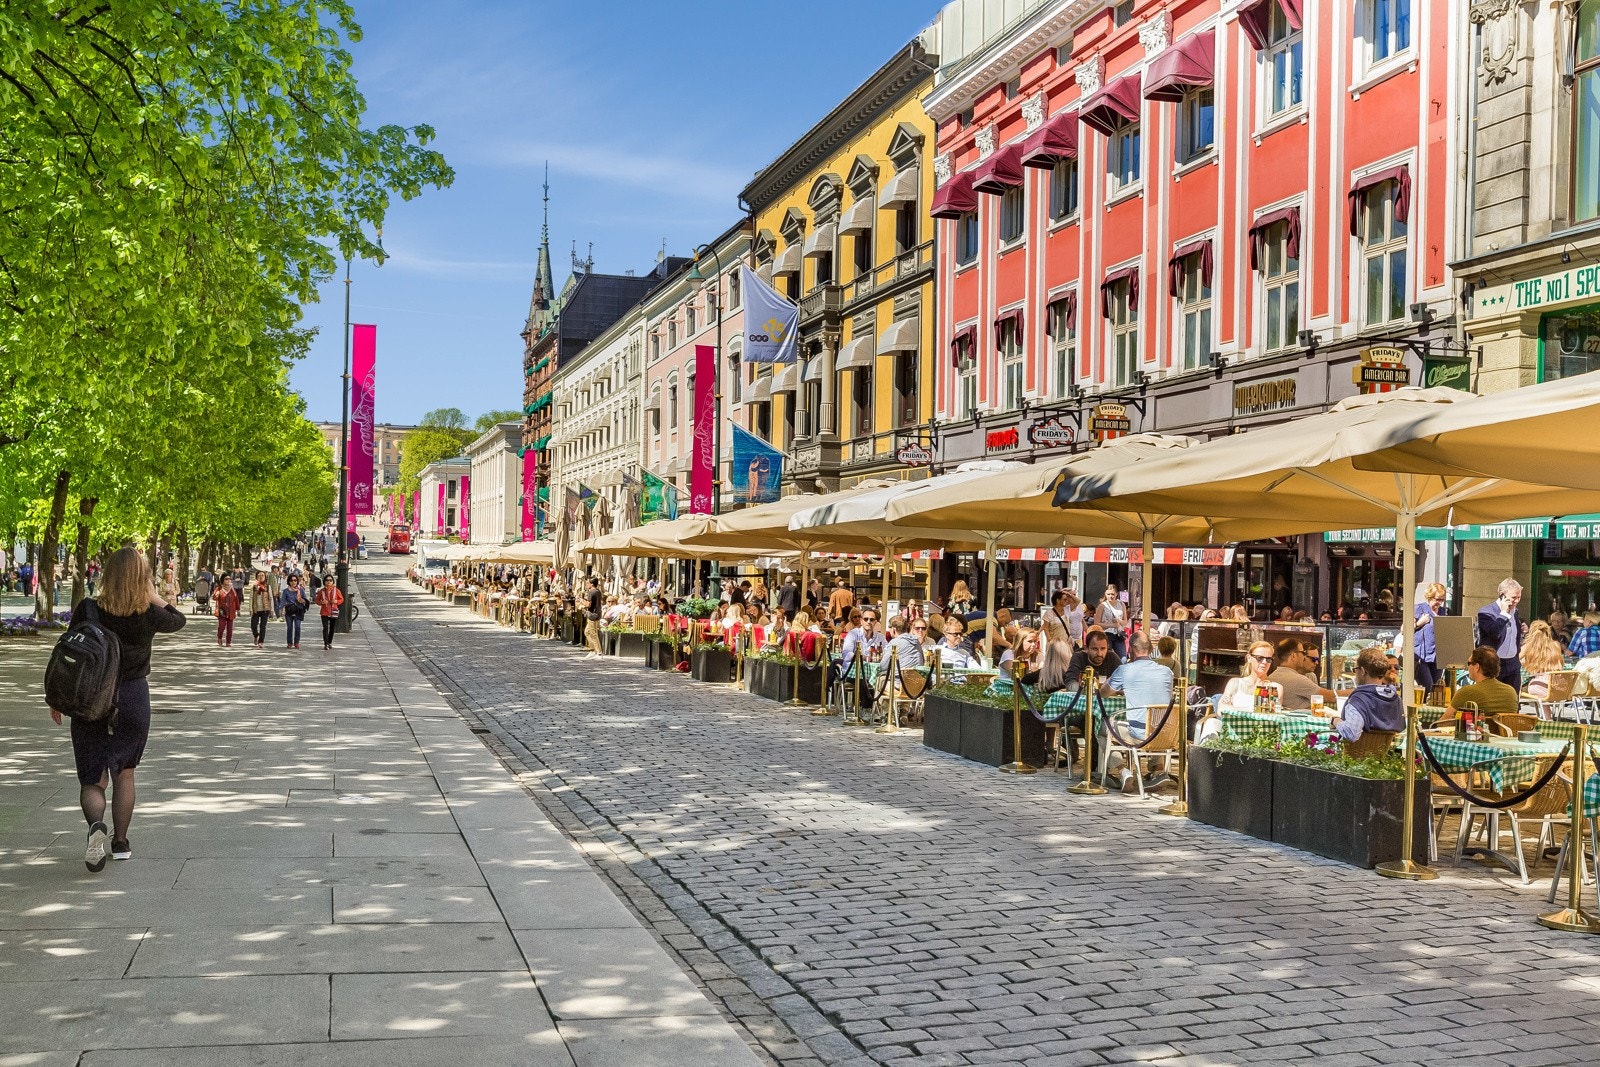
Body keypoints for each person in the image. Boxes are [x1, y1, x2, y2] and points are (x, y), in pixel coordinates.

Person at [52, 546, 185, 870]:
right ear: (143, 578)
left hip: (90, 700)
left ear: (107, 575)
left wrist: (57, 699)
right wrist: (154, 596)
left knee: (92, 780)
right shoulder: (148, 614)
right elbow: (178, 620)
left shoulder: (88, 609)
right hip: (132, 698)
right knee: (125, 773)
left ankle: (96, 826)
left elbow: (70, 651)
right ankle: (121, 842)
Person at [1100, 631, 1176, 792]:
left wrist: (1122, 689)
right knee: (1155, 722)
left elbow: (1103, 693)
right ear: (1151, 649)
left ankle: (1122, 771)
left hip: (1140, 736)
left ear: (1131, 649)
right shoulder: (1167, 672)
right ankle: (1158, 770)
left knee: (1102, 728)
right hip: (1167, 733)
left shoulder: (1125, 670)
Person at [1331, 647, 1405, 742]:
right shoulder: (1395, 699)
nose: (1356, 673)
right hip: (1388, 753)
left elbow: (1351, 734)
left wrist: (1335, 720)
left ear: (1362, 670)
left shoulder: (1359, 699)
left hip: (1357, 754)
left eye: (1356, 669)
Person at [1475, 578, 1526, 688]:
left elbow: (1513, 637)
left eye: (1519, 597)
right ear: (1502, 595)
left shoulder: (1515, 612)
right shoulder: (1486, 612)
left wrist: (1523, 631)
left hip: (1513, 664)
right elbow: (1494, 633)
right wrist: (1503, 614)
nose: (1517, 601)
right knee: (1492, 700)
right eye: (1513, 598)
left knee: (1512, 702)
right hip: (1493, 664)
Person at [1267, 637, 1338, 710]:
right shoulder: (1296, 679)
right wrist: (1350, 693)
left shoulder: (1273, 676)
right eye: (1303, 653)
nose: (1304, 657)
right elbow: (1330, 696)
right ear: (1293, 656)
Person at [1220, 640, 1283, 711]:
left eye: (1269, 659)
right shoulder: (1235, 683)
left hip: (1252, 722)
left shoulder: (1274, 687)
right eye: (1260, 658)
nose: (1264, 662)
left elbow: (1265, 715)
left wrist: (1233, 709)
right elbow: (1221, 709)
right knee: (1211, 721)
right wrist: (1254, 709)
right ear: (1249, 658)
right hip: (1233, 722)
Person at [1413, 582, 1447, 692]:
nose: (1439, 603)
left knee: (1436, 691)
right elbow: (1404, 630)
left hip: (1438, 657)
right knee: (1428, 687)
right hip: (1421, 657)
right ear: (1430, 596)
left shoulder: (1443, 612)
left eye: (1442, 600)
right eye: (1437, 599)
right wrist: (1419, 623)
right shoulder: (1419, 608)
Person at [1520, 620, 1566, 699]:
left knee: (1516, 686)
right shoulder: (1556, 645)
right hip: (1557, 688)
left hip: (1538, 686)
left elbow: (1515, 660)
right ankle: (1546, 712)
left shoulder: (1528, 646)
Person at [1095, 586, 1127, 658]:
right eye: (1108, 594)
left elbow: (1125, 622)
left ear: (1116, 594)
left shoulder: (1121, 604)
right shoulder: (1102, 605)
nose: (1111, 596)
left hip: (1118, 634)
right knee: (1107, 656)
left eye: (1112, 594)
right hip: (1106, 634)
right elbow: (1096, 623)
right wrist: (1112, 625)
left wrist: (1119, 621)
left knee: (1123, 658)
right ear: (1105, 594)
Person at [315, 573, 344, 650]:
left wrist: (336, 601)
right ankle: (326, 643)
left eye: (330, 580)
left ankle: (329, 642)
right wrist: (321, 602)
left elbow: (341, 599)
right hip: (324, 611)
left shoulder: (336, 590)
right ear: (324, 582)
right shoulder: (321, 591)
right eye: (327, 580)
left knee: (332, 628)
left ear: (332, 582)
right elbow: (317, 600)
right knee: (325, 628)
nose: (328, 582)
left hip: (333, 610)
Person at [280, 573, 309, 648]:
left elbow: (305, 600)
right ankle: (289, 642)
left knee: (297, 626)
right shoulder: (286, 591)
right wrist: (280, 609)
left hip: (298, 611)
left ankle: (297, 642)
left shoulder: (300, 590)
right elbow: (283, 601)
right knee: (289, 627)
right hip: (289, 611)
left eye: (295, 580)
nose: (293, 582)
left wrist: (302, 600)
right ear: (289, 581)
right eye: (291, 580)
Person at [212, 575, 240, 647]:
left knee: (230, 628)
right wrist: (216, 594)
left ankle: (228, 642)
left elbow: (236, 599)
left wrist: (238, 609)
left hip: (231, 611)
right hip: (222, 611)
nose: (228, 580)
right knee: (221, 626)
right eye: (226, 579)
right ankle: (219, 637)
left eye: (229, 579)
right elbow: (214, 598)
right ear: (222, 580)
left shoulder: (232, 589)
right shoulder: (219, 588)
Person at [247, 571, 273, 647]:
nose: (261, 577)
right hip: (256, 608)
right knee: (253, 625)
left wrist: (272, 609)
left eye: (262, 575)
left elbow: (271, 598)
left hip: (265, 609)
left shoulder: (268, 587)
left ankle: (261, 641)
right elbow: (251, 598)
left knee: (263, 626)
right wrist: (250, 609)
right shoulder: (254, 586)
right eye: (259, 575)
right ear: (256, 577)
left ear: (265, 577)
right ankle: (256, 635)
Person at [583, 577, 603, 657]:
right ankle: (592, 650)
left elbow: (588, 605)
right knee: (587, 632)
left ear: (591, 584)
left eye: (587, 583)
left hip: (592, 615)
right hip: (597, 614)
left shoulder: (591, 592)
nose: (586, 584)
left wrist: (581, 601)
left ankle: (598, 652)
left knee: (593, 634)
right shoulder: (598, 591)